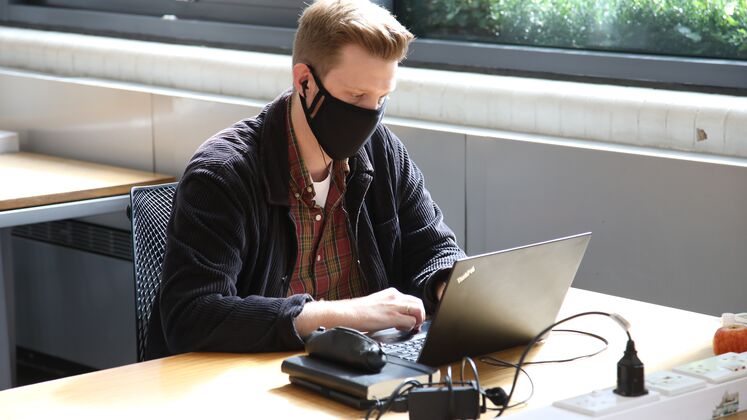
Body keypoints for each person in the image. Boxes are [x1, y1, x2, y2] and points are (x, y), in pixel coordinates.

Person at [145, 0, 466, 360]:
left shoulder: (382, 150)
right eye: (356, 96)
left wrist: (444, 286)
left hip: (360, 367)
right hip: (250, 383)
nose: (370, 116)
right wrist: (343, 315)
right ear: (304, 82)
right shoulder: (223, 173)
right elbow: (191, 317)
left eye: (381, 99)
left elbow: (434, 248)